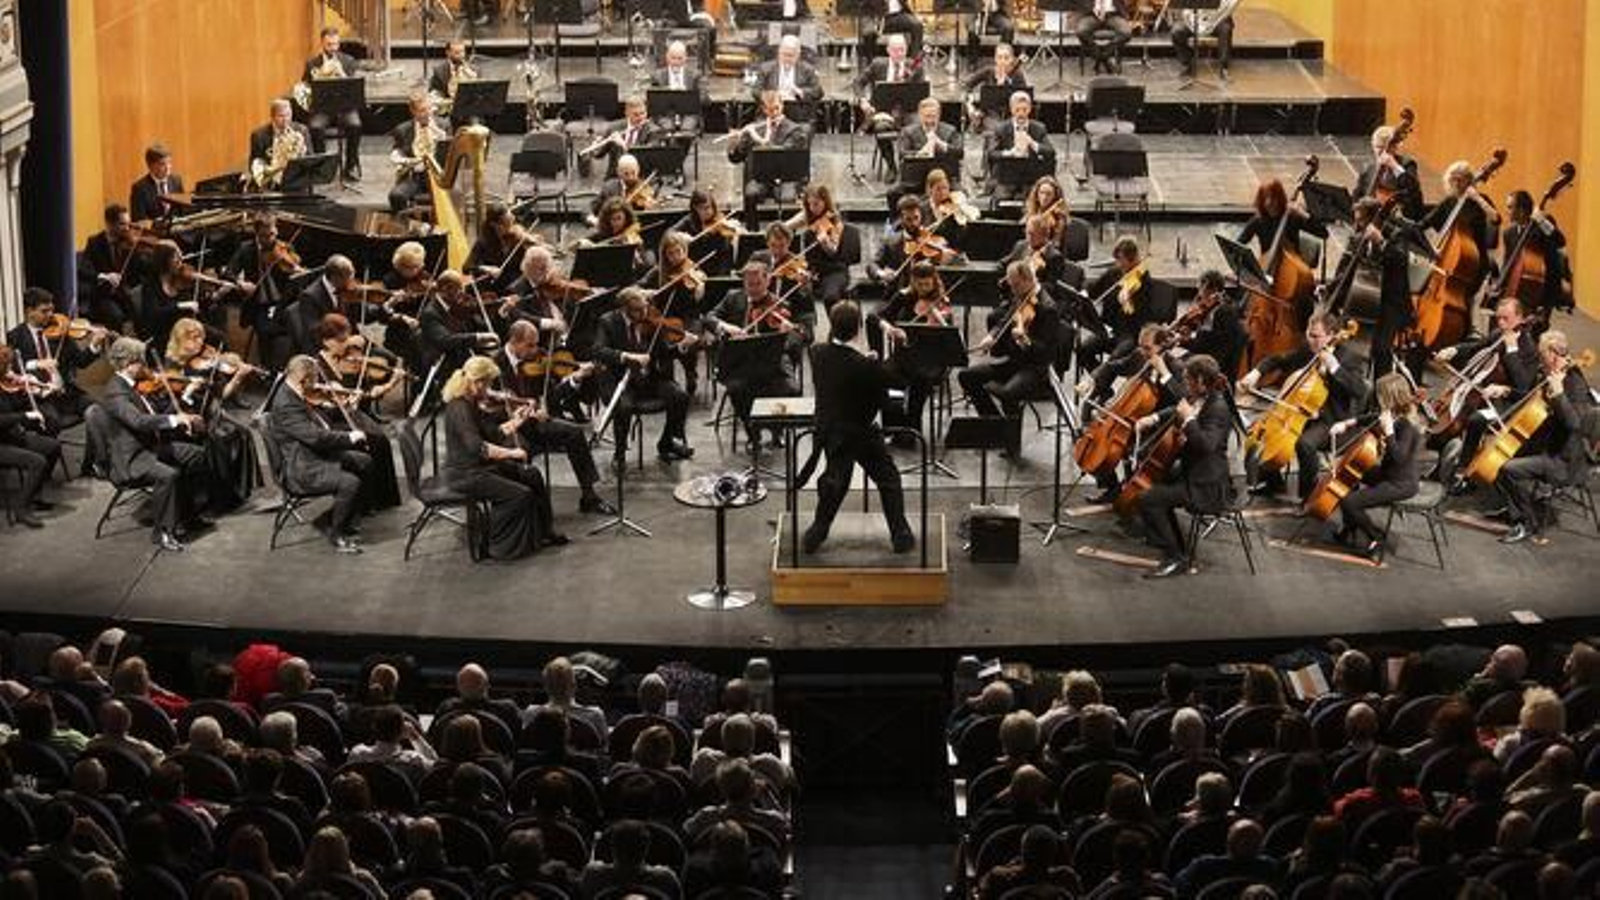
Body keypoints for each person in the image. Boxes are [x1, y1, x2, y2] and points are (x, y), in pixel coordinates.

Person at [803, 301, 914, 554]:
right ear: (859, 329)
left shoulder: (817, 353)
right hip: (860, 432)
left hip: (831, 430)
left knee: (836, 481)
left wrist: (868, 361)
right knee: (888, 479)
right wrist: (900, 346)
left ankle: (817, 532)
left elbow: (844, 368)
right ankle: (900, 534)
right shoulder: (865, 366)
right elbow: (898, 381)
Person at [441, 355, 564, 559]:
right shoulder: (459, 408)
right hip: (465, 474)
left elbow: (494, 434)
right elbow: (478, 447)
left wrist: (518, 421)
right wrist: (512, 453)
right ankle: (493, 545)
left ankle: (545, 531)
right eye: (488, 383)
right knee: (519, 495)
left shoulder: (471, 403)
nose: (489, 388)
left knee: (532, 475)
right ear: (476, 382)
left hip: (479, 467)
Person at [1240, 313, 1369, 502]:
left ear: (1332, 334)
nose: (1311, 340)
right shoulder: (1309, 350)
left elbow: (1359, 390)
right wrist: (1255, 373)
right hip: (1300, 413)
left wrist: (1334, 368)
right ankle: (1273, 482)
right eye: (1309, 334)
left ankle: (1309, 495)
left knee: (1305, 444)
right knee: (1262, 436)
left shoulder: (1349, 358)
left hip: (1332, 418)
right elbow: (1278, 359)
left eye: (1316, 336)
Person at [97, 337, 210, 551]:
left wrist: (183, 403)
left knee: (197, 455)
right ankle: (163, 532)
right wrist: (175, 420)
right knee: (168, 475)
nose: (145, 366)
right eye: (140, 361)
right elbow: (138, 422)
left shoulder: (132, 386)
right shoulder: (115, 392)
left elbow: (153, 416)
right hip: (131, 457)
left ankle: (187, 514)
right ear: (127, 364)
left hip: (149, 446)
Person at [496, 319, 613, 514]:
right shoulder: (495, 363)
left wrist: (575, 379)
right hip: (510, 428)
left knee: (574, 432)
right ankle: (522, 508)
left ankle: (589, 496)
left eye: (536, 344)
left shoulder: (536, 361)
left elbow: (552, 396)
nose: (535, 350)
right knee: (520, 450)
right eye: (530, 345)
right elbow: (491, 406)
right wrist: (522, 413)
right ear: (514, 341)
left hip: (534, 422)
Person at [1133, 353, 1234, 579]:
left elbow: (1206, 445)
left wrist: (1189, 422)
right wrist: (1154, 418)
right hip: (1194, 471)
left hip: (1207, 485)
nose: (1185, 385)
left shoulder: (1218, 407)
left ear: (1200, 381)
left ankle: (1174, 557)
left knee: (1148, 500)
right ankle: (1178, 549)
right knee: (1157, 485)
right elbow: (1177, 408)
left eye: (1188, 380)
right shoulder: (1200, 398)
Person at [1496, 329, 1596, 544]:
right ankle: (1513, 509)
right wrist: (1506, 391)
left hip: (1563, 460)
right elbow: (1533, 398)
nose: (1540, 361)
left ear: (1552, 354)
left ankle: (1526, 523)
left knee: (1508, 469)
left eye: (1542, 355)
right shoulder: (1551, 374)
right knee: (1498, 456)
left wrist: (1559, 393)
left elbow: (1574, 423)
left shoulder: (1575, 383)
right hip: (1548, 444)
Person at [267, 355, 375, 554]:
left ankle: (332, 518)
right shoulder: (286, 404)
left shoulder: (293, 390)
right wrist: (349, 437)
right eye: (314, 379)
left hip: (312, 453)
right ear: (303, 380)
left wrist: (328, 405)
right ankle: (336, 532)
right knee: (349, 483)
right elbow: (315, 437)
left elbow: (313, 427)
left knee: (365, 461)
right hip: (302, 467)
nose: (317, 383)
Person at [1318, 372, 1423, 559]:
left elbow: (1398, 457)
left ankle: (1375, 537)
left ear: (1390, 397)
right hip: (1388, 473)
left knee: (1349, 501)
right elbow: (1372, 417)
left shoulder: (1407, 425)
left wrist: (1389, 432)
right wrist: (1347, 423)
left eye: (1380, 395)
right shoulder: (1394, 414)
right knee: (1351, 472)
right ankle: (1350, 527)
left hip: (1401, 484)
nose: (1377, 398)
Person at [1076, 324, 1184, 506]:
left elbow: (1182, 401)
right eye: (1140, 345)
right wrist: (1091, 379)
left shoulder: (1175, 367)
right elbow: (1113, 366)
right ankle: (1112, 488)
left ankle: (1142, 498)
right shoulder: (1139, 355)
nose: (1142, 351)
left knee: (1134, 449)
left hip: (1159, 423)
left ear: (1161, 346)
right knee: (1091, 436)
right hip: (1131, 417)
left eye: (1147, 348)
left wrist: (1164, 373)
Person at [163, 317, 261, 512]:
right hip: (189, 419)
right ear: (181, 340)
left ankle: (238, 491)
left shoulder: (206, 360)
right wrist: (190, 392)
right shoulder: (172, 365)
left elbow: (221, 394)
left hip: (209, 412)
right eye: (194, 338)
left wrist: (237, 376)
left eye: (201, 337)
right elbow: (174, 406)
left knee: (243, 434)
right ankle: (218, 497)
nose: (201, 343)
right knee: (220, 440)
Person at [708, 260, 808, 450]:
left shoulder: (780, 304)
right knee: (737, 389)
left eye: (757, 284)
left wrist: (787, 332)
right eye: (749, 284)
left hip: (773, 364)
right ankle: (753, 433)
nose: (752, 289)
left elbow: (802, 335)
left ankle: (777, 431)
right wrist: (725, 326)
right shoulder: (732, 298)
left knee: (791, 389)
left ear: (767, 281)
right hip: (741, 363)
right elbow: (709, 318)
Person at [960, 260, 1062, 423]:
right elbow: (1004, 320)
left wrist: (1025, 340)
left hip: (1034, 367)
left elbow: (1045, 351)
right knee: (966, 376)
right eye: (1011, 285)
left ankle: (1011, 444)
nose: (1012, 290)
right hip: (1013, 361)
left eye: (1016, 285)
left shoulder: (1048, 308)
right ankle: (994, 424)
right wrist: (991, 336)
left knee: (1009, 393)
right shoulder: (1022, 295)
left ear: (1029, 280)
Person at [870, 261, 954, 439]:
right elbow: (876, 316)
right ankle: (895, 426)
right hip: (904, 356)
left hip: (931, 360)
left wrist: (937, 324)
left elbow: (949, 338)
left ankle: (912, 428)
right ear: (913, 281)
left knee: (920, 380)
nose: (923, 289)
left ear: (934, 281)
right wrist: (889, 328)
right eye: (919, 284)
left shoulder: (942, 301)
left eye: (927, 284)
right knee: (880, 375)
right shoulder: (904, 296)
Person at [8, 287, 107, 433]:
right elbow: (12, 370)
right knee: (51, 421)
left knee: (98, 412)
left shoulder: (60, 332)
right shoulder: (15, 336)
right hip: (41, 398)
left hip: (66, 393)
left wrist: (94, 344)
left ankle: (94, 456)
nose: (50, 315)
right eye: (44, 311)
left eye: (51, 310)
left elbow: (81, 361)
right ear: (29, 311)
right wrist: (36, 363)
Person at [726, 89, 811, 226]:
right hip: (761, 177)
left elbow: (782, 153)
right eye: (770, 110)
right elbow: (735, 158)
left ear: (782, 106)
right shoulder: (756, 128)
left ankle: (788, 233)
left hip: (785, 177)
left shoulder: (795, 130)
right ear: (764, 110)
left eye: (777, 108)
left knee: (787, 197)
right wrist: (736, 142)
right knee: (750, 193)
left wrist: (758, 139)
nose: (774, 113)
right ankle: (752, 233)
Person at [0, 345, 62, 527]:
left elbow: (15, 406)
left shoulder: (5, 383)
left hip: (10, 436)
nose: (11, 370)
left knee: (53, 446)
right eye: (8, 366)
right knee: (37, 461)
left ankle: (33, 493)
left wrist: (30, 389)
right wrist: (24, 416)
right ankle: (21, 507)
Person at [1496, 188, 1573, 328]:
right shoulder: (1509, 233)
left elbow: (1560, 241)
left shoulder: (1541, 225)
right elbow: (1508, 262)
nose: (1506, 211)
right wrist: (1499, 284)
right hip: (1518, 285)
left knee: (1534, 328)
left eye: (1510, 207)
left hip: (1544, 286)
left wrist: (1541, 219)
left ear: (1521, 210)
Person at [301, 27, 362, 181]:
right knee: (315, 127)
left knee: (355, 125)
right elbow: (305, 87)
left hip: (345, 107)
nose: (333, 49)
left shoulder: (348, 61)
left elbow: (353, 87)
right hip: (323, 108)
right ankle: (323, 166)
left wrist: (341, 74)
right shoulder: (312, 64)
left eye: (336, 44)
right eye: (329, 45)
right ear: (322, 43)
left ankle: (351, 165)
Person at [77, 203, 146, 331]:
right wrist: (104, 276)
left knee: (143, 311)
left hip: (125, 293)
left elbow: (142, 268)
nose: (127, 228)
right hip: (103, 295)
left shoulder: (129, 243)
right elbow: (83, 270)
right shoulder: (94, 242)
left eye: (128, 223)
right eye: (122, 224)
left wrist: (139, 251)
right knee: (116, 317)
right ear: (109, 224)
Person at [783, 184, 853, 310]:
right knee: (787, 288)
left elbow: (833, 251)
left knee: (830, 297)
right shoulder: (808, 214)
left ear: (825, 201)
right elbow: (785, 227)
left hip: (834, 270)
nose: (812, 208)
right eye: (809, 204)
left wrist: (825, 243)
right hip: (813, 269)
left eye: (816, 204)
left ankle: (837, 326)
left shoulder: (835, 221)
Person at [984, 91, 1055, 200]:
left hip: (1030, 177)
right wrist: (1009, 153)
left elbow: (1050, 152)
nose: (1021, 114)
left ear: (1030, 109)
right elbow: (991, 153)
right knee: (1001, 198)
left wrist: (1033, 143)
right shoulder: (1001, 128)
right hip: (1007, 177)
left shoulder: (1039, 128)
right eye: (1017, 110)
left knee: (1032, 200)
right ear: (1011, 109)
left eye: (1024, 110)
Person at [389, 91, 449, 214]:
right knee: (395, 196)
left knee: (453, 198)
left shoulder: (444, 125)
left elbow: (450, 154)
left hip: (440, 176)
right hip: (416, 177)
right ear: (413, 111)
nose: (427, 113)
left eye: (429, 109)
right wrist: (406, 161)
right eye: (422, 110)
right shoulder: (403, 129)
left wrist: (442, 137)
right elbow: (397, 153)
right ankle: (405, 228)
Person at [578, 95, 665, 178]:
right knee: (608, 190)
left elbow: (645, 159)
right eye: (636, 115)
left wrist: (623, 145)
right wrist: (595, 146)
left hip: (640, 176)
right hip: (615, 177)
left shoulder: (654, 130)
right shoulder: (614, 127)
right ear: (627, 113)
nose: (640, 118)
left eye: (643, 113)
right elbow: (599, 155)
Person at [1355, 121, 1423, 221]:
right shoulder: (1369, 168)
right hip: (1373, 217)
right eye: (1377, 147)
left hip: (1397, 218)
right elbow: (1358, 193)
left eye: (1384, 148)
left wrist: (1394, 166)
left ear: (1395, 147)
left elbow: (1414, 190)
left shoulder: (1407, 164)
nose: (1380, 152)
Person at [246, 98, 311, 191]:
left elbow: (310, 158)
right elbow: (254, 163)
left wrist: (302, 152)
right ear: (272, 117)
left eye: (288, 115)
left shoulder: (302, 130)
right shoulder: (259, 135)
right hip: (271, 184)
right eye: (281, 116)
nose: (286, 120)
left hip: (296, 181)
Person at [752, 35, 824, 107]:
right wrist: (771, 95)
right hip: (772, 110)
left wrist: (801, 92)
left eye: (791, 55)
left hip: (798, 109)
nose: (787, 58)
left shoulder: (807, 69)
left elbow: (818, 92)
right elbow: (755, 91)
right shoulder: (766, 68)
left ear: (798, 55)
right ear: (779, 52)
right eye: (784, 54)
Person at [1171, 1, 1234, 80]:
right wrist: (1190, 19)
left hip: (1216, 20)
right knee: (1177, 31)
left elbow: (1227, 8)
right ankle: (1187, 63)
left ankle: (1224, 67)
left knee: (1225, 29)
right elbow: (1186, 10)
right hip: (1195, 20)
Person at [128, 144, 184, 222]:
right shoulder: (139, 188)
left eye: (169, 162)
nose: (168, 167)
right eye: (162, 164)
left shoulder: (176, 181)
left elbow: (182, 209)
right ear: (151, 166)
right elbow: (139, 219)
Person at [1075, 0, 1132, 74]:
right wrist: (1092, 8)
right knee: (1081, 31)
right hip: (1092, 15)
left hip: (1113, 14)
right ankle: (1103, 57)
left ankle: (1102, 56)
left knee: (1126, 32)